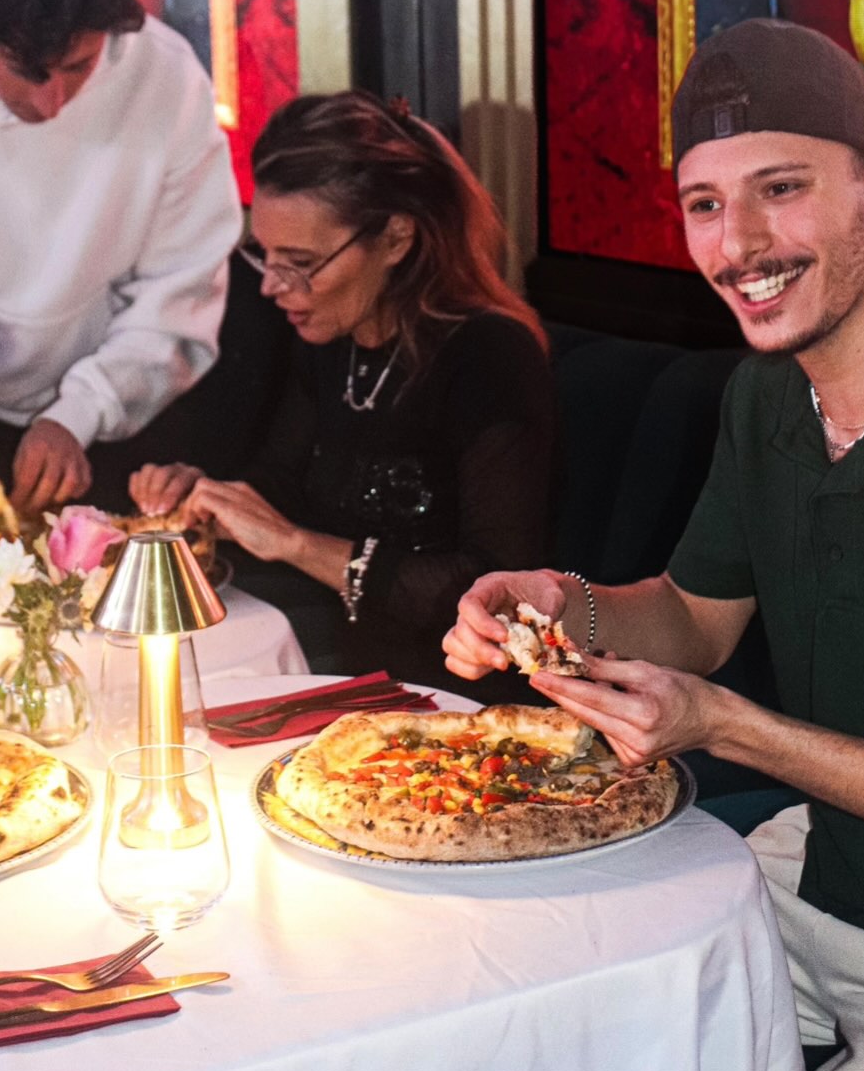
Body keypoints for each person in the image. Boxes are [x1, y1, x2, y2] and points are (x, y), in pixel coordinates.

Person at [442, 18, 864, 1071]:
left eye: (781, 191)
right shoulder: (766, 397)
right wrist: (558, 602)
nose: (737, 245)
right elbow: (693, 616)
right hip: (833, 889)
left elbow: (711, 696)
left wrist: (722, 727)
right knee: (534, 1034)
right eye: (703, 205)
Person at [129, 89, 553, 694]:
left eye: (299, 263)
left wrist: (297, 545)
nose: (273, 287)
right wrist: (202, 496)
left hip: (469, 706)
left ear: (396, 238)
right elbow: (281, 485)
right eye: (265, 255)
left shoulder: (490, 355)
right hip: (353, 677)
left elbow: (496, 593)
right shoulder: (335, 339)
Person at [0, 0, 242, 513]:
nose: (52, 102)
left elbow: (181, 291)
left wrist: (78, 413)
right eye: (28, 73)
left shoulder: (165, 78)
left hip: (123, 415)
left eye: (79, 67)